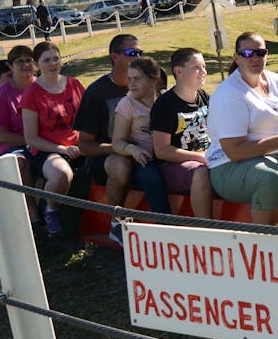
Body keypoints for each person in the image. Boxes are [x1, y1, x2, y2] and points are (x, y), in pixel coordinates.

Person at [206, 32, 278, 225]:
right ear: (236, 57)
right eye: (248, 53)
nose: (255, 58)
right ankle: (265, 240)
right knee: (273, 179)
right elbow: (234, 151)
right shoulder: (229, 93)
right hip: (230, 166)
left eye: (260, 52)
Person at [73, 34, 141, 245]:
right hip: (107, 158)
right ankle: (117, 223)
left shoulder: (146, 84)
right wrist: (120, 148)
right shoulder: (97, 92)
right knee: (120, 165)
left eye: (140, 52)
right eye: (132, 53)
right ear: (114, 57)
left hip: (144, 150)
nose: (138, 57)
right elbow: (84, 146)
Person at [21, 41, 85, 237]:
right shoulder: (32, 93)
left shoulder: (74, 84)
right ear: (36, 64)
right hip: (47, 150)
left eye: (56, 58)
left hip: (80, 146)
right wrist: (61, 149)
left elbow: (88, 119)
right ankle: (51, 210)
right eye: (46, 60)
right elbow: (31, 138)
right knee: (61, 175)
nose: (52, 64)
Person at [151, 47, 213, 218]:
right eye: (196, 67)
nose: (203, 72)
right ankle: (206, 229)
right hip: (175, 167)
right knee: (200, 172)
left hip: (206, 157)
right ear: (179, 71)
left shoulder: (204, 97)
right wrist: (200, 158)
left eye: (204, 66)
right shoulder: (164, 105)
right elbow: (162, 150)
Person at [0, 45, 40, 223]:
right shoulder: (3, 93)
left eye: (28, 60)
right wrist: (30, 140)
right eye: (19, 61)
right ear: (11, 66)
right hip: (15, 145)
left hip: (45, 140)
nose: (25, 65)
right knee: (20, 162)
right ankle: (30, 209)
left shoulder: (42, 85)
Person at [112, 56, 171, 214]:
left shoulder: (167, 100)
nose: (131, 83)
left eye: (137, 78)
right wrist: (132, 149)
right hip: (144, 159)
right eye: (129, 79)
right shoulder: (127, 104)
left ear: (154, 80)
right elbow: (117, 142)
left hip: (169, 155)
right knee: (152, 177)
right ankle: (164, 224)